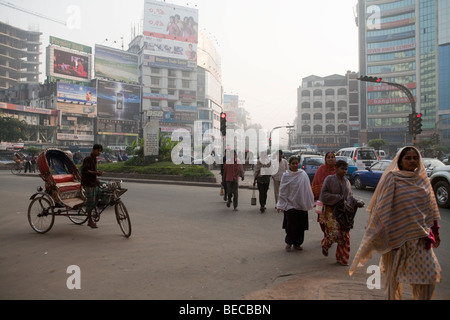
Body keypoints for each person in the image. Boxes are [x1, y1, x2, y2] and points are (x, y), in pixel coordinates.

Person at [349, 147, 441, 300]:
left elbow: (431, 207)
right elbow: (383, 206)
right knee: (394, 278)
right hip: (397, 238)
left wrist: (435, 231)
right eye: (408, 158)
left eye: (415, 158)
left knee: (429, 276)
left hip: (421, 237)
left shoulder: (422, 179)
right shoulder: (393, 178)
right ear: (400, 161)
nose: (412, 161)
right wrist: (376, 230)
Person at [319, 160, 359, 266]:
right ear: (336, 168)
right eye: (342, 169)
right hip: (330, 211)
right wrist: (338, 198)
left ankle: (342, 258)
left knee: (345, 235)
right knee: (334, 234)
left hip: (343, 212)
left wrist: (356, 202)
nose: (344, 171)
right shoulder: (329, 179)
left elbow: (350, 197)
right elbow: (323, 195)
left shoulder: (347, 182)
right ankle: (325, 244)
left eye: (346, 169)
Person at [276, 155, 314, 251]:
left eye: (297, 163)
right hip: (290, 204)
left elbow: (307, 189)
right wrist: (280, 204)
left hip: (301, 204)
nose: (295, 165)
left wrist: (309, 200)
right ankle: (289, 242)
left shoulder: (303, 174)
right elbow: (283, 190)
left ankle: (297, 243)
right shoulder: (286, 176)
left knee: (300, 226)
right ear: (289, 165)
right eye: (293, 163)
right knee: (290, 225)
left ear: (299, 164)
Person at [312, 152, 336, 231]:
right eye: (328, 157)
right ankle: (326, 235)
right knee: (321, 219)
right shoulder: (321, 169)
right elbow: (315, 182)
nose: (330, 159)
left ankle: (330, 236)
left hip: (334, 199)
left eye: (332, 157)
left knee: (333, 219)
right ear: (325, 159)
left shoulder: (337, 170)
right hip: (321, 199)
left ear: (335, 159)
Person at [81, 144, 104, 228]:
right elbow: (85, 170)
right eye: (98, 150)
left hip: (93, 182)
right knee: (91, 202)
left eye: (100, 151)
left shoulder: (94, 159)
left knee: (100, 193)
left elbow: (93, 170)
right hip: (87, 183)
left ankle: (92, 208)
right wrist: (96, 173)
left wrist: (97, 173)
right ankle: (89, 220)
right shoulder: (88, 158)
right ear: (93, 150)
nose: (99, 152)